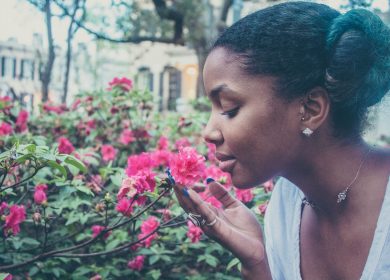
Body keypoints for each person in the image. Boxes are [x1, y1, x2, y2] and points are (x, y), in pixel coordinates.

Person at [173, 1, 390, 279]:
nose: (208, 132)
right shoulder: (286, 206)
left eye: (229, 108)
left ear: (310, 109)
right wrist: (257, 265)